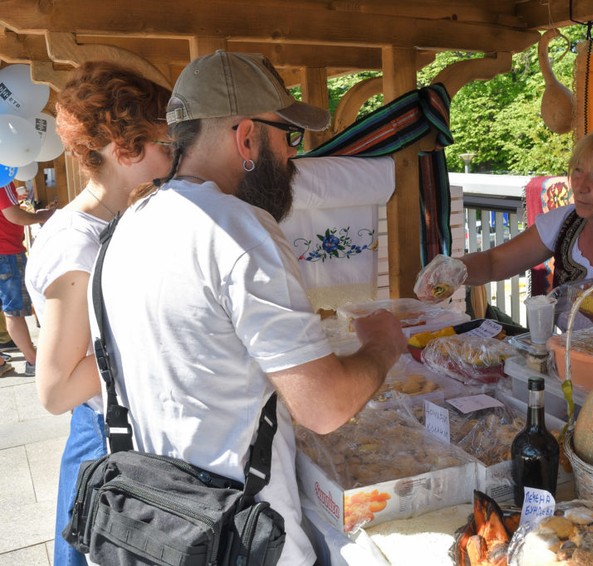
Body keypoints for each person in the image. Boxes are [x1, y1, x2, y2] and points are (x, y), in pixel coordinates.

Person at [95, 50, 406, 566]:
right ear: (246, 137)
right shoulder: (241, 229)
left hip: (154, 523)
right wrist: (383, 345)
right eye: (288, 137)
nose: (292, 157)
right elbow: (324, 407)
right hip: (240, 535)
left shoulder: (124, 228)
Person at [23, 61, 173, 566]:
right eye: (165, 145)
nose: (173, 159)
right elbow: (56, 389)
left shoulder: (114, 219)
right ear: (123, 147)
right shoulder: (76, 245)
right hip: (104, 441)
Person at [418, 126, 593, 352]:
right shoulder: (566, 221)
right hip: (576, 370)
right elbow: (495, 262)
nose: (580, 186)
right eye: (578, 171)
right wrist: (455, 269)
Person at [0, 181, 54, 376]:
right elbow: (13, 216)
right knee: (13, 313)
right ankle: (34, 362)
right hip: (6, 252)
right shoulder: (2, 175)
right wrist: (40, 216)